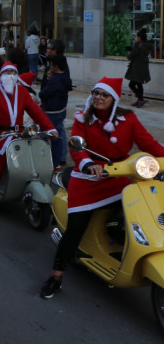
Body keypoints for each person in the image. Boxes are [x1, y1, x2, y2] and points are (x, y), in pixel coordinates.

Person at [39, 77, 164, 298]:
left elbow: (149, 145)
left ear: (114, 99)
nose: (98, 97)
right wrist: (88, 164)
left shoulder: (130, 120)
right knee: (76, 227)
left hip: (119, 175)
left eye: (104, 94)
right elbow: (76, 146)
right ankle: (56, 277)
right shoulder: (82, 118)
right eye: (96, 93)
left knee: (141, 208)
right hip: (88, 178)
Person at [0, 61, 58, 219]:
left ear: (17, 76)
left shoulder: (22, 92)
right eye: (6, 72)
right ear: (1, 76)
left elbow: (36, 112)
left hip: (18, 136)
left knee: (31, 161)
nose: (10, 75)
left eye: (13, 72)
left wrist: (50, 128)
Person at [39, 55, 72, 171]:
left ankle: (44, 161)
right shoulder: (66, 78)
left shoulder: (55, 79)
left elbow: (42, 94)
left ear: (56, 67)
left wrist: (48, 79)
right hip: (61, 111)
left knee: (43, 136)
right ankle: (56, 163)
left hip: (51, 112)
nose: (50, 67)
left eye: (52, 65)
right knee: (57, 136)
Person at [125, 28, 151, 108]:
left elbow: (130, 56)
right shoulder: (145, 45)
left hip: (137, 69)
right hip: (142, 68)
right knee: (139, 84)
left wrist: (129, 52)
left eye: (136, 37)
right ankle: (140, 100)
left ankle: (141, 99)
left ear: (139, 38)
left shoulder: (138, 45)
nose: (135, 38)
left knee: (132, 85)